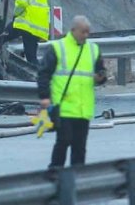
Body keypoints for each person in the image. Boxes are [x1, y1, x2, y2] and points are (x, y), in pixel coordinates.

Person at [38, 15, 107, 168]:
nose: (86, 35)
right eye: (83, 32)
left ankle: (77, 180)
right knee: (63, 141)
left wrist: (100, 77)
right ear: (73, 30)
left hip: (83, 109)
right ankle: (55, 173)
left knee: (80, 148)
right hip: (64, 107)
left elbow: (101, 72)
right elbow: (43, 73)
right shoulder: (58, 48)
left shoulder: (93, 49)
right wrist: (44, 97)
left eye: (88, 32)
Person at [5, 0, 50, 66]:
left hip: (26, 24)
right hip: (37, 28)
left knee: (4, 34)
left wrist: (15, 15)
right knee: (31, 56)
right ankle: (38, 73)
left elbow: (21, 4)